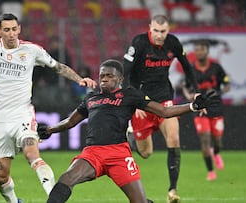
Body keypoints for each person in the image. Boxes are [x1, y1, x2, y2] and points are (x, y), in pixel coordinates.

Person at [0, 4, 97, 203]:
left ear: (19, 29)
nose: (11, 34)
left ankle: (53, 199)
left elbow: (57, 66)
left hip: (23, 114)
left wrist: (79, 79)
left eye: (14, 29)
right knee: (2, 175)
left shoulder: (31, 50)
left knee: (32, 154)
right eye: (6, 30)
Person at [37, 59, 213, 203]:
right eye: (101, 76)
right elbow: (70, 122)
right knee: (66, 179)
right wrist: (50, 129)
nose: (103, 79)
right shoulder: (92, 98)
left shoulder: (130, 95)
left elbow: (164, 111)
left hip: (119, 154)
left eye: (109, 76)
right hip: (93, 153)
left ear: (120, 79)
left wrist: (193, 106)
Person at [122, 15, 200, 203]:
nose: (159, 35)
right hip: (142, 100)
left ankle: (172, 190)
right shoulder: (139, 43)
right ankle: (132, 134)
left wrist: (196, 91)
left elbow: (187, 67)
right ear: (150, 28)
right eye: (155, 31)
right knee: (146, 153)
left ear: (168, 30)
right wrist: (134, 100)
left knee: (174, 138)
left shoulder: (172, 43)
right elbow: (126, 73)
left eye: (163, 31)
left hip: (165, 97)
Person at [182, 40, 230, 181]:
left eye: (202, 49)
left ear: (207, 51)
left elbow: (226, 84)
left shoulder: (216, 68)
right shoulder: (191, 70)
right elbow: (185, 86)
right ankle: (210, 171)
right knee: (204, 139)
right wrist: (189, 96)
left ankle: (216, 153)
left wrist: (220, 92)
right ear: (194, 53)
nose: (199, 52)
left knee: (218, 141)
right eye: (197, 50)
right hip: (200, 109)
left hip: (216, 107)